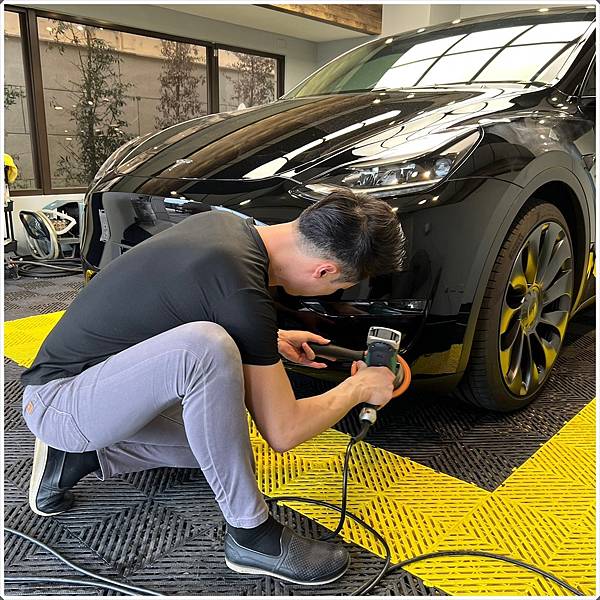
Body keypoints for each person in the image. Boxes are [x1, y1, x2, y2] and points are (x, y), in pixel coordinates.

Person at [21, 188, 407, 585]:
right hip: (60, 403)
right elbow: (284, 431)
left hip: (94, 388)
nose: (335, 293)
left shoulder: (227, 228)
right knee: (206, 347)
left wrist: (268, 339)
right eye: (340, 286)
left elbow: (177, 303)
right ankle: (250, 536)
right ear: (324, 271)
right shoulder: (241, 290)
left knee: (222, 446)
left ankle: (77, 457)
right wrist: (359, 388)